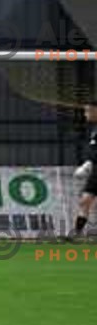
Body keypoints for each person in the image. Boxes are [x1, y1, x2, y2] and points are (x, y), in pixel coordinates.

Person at [69, 101, 97, 239]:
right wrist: (88, 164)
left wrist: (88, 164)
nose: (86, 114)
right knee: (85, 201)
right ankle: (76, 234)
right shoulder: (95, 129)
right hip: (96, 171)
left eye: (88, 111)